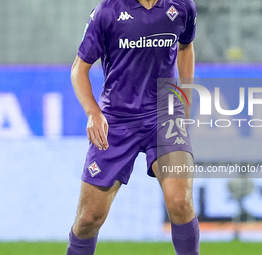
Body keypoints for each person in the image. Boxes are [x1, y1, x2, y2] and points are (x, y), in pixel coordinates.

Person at [67, 0, 199, 254]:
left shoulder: (183, 6)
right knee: (88, 219)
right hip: (116, 121)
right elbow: (78, 70)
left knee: (180, 202)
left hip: (165, 113)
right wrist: (93, 113)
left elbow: (185, 47)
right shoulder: (107, 11)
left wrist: (187, 96)